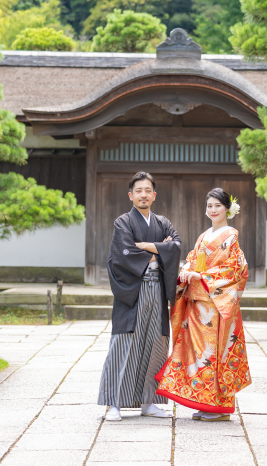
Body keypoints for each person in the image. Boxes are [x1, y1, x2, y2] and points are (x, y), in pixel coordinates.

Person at [155, 188, 251, 421]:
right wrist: (187, 271)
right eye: (209, 206)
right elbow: (191, 258)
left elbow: (236, 269)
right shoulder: (204, 235)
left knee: (214, 353)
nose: (213, 210)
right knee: (198, 354)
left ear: (228, 208)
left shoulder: (231, 236)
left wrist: (203, 277)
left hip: (215, 303)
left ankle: (219, 408)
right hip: (197, 303)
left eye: (217, 205)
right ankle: (205, 404)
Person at [98, 171, 182, 421]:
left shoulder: (163, 222)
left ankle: (149, 402)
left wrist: (144, 247)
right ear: (130, 195)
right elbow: (123, 254)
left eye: (148, 190)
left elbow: (176, 246)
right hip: (132, 291)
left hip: (157, 289)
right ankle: (114, 403)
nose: (143, 195)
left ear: (154, 195)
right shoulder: (122, 222)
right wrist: (159, 251)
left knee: (156, 344)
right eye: (138, 191)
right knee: (124, 343)